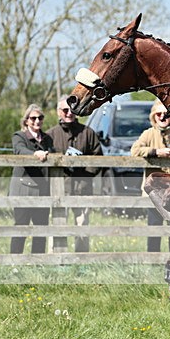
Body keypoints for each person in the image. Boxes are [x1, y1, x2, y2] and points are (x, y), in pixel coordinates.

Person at [47, 95, 103, 252]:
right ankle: (56, 257)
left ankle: (82, 257)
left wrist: (84, 172)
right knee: (58, 223)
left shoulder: (88, 133)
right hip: (59, 189)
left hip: (82, 188)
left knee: (82, 224)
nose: (68, 113)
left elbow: (98, 159)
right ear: (58, 112)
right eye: (64, 110)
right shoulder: (51, 135)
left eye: (71, 110)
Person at [130, 100, 170, 253]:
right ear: (154, 116)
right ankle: (153, 258)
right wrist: (156, 152)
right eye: (158, 114)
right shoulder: (148, 133)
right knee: (154, 225)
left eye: (165, 114)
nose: (162, 117)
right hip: (153, 191)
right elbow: (135, 150)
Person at [9, 104, 53, 254]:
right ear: (26, 120)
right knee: (21, 227)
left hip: (42, 189)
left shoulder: (47, 138)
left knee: (41, 228)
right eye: (33, 118)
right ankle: (15, 262)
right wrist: (35, 155)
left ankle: (38, 262)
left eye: (40, 118)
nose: (37, 121)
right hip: (23, 189)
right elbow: (19, 150)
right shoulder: (19, 136)